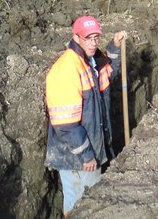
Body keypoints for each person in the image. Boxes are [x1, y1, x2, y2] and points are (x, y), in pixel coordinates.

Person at [45, 15, 127, 216]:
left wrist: (115, 47)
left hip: (90, 149)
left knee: (79, 203)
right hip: (76, 156)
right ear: (76, 37)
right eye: (88, 38)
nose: (93, 43)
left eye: (96, 38)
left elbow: (108, 73)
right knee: (85, 205)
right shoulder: (66, 69)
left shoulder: (91, 61)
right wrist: (87, 155)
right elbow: (66, 124)